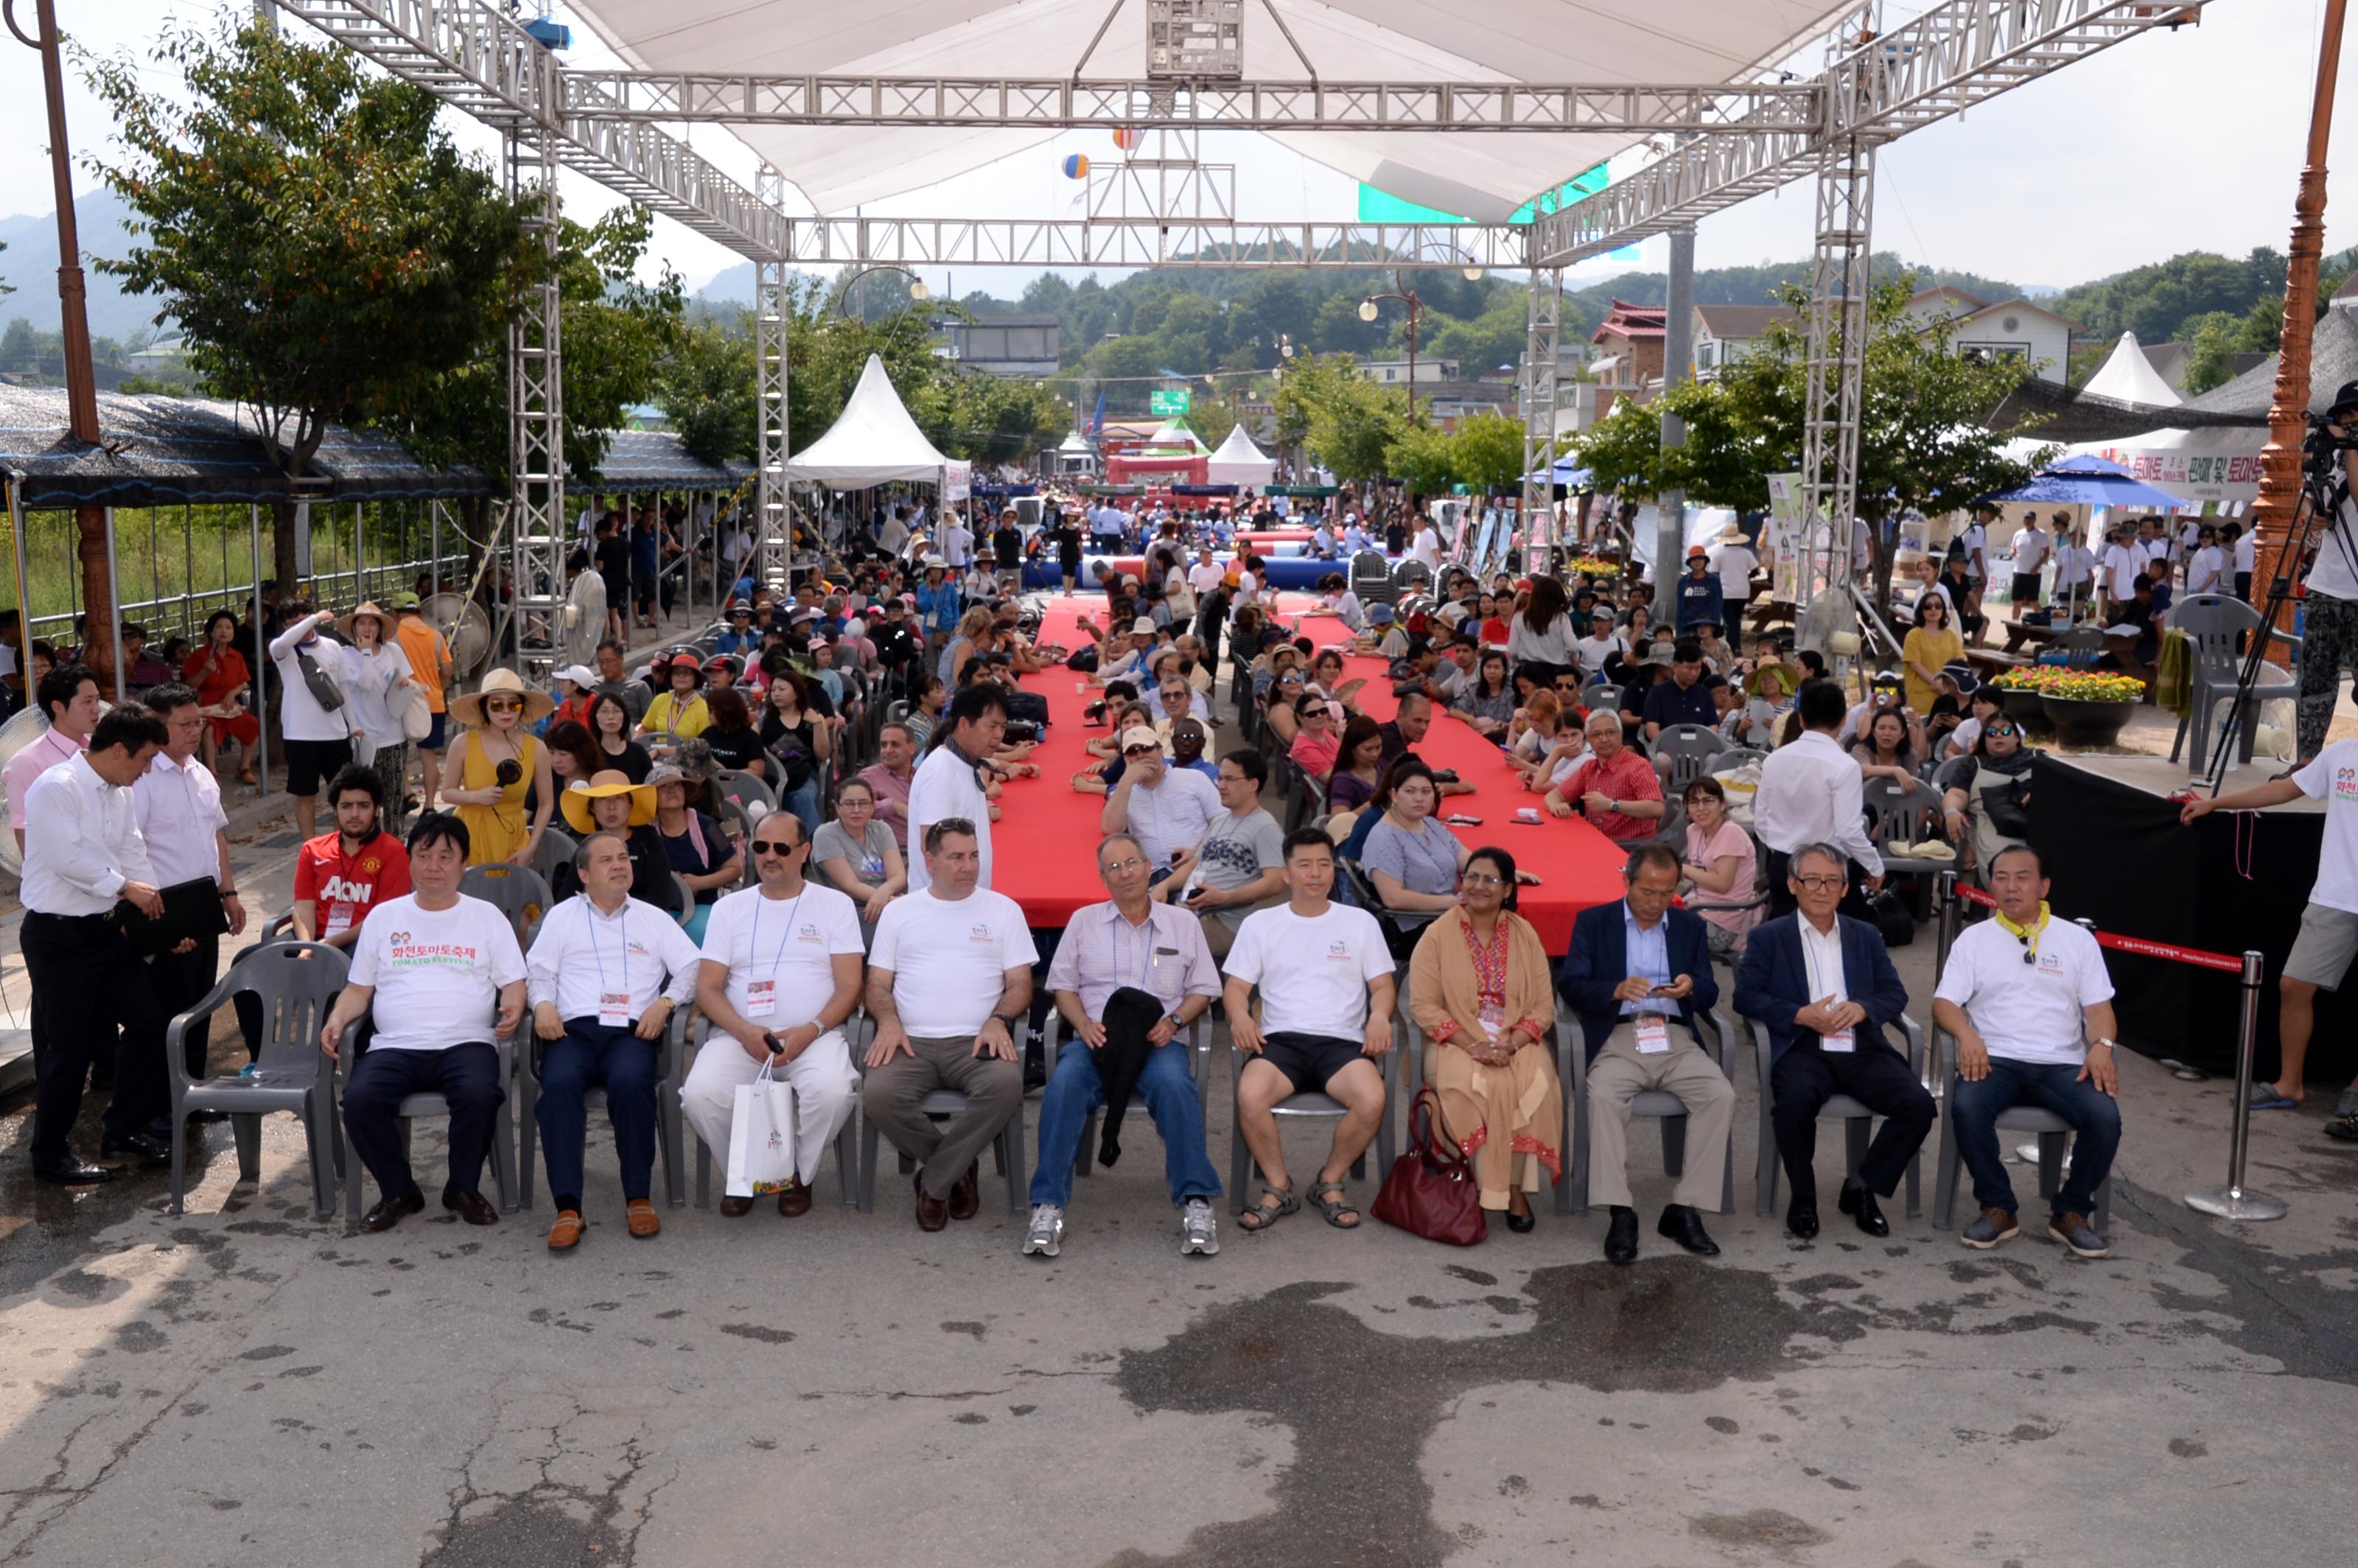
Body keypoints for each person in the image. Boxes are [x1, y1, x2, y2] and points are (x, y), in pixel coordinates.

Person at [321, 814, 528, 1232]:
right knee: (359, 1100)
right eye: (424, 855)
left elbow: (514, 981)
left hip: (466, 1042)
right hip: (396, 1045)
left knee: (480, 1093)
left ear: (463, 865)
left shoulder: (487, 917)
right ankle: (400, 1190)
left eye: (445, 856)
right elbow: (359, 989)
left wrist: (513, 1006)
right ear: (410, 861)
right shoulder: (384, 917)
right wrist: (338, 1017)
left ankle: (462, 1188)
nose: (434, 865)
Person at [1024, 833, 1225, 1259]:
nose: (1125, 873)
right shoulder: (1083, 921)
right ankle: (1047, 1206)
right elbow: (1062, 985)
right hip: (1097, 1038)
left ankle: (1197, 1205)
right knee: (1063, 1086)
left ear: (1148, 864)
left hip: (1158, 1040)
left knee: (1174, 1085)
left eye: (1131, 863)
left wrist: (1174, 1022)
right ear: (1102, 878)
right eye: (1113, 868)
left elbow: (1205, 988)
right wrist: (1082, 1023)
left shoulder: (1183, 923)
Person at [1931, 844, 2121, 1257]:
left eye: (2023, 877)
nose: (2011, 887)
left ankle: (2070, 1211)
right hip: (1995, 1058)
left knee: (2105, 1117)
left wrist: (2102, 1046)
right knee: (1967, 1107)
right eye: (2001, 877)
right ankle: (1999, 1206)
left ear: (2044, 885)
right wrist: (1967, 1035)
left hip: (2061, 1063)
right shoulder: (1974, 939)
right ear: (1990, 884)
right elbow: (1944, 1003)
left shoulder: (2076, 940)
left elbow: (2099, 1010)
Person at [1736, 843, 1934, 1239]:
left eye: (1832, 881)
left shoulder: (1865, 935)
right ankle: (1803, 1199)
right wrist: (1798, 1014)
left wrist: (1862, 1008)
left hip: (1860, 1044)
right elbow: (1746, 997)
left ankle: (1861, 1186)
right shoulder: (1769, 937)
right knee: (1794, 1102)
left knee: (1919, 1105)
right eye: (1811, 879)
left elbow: (1895, 994)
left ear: (1846, 889)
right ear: (1793, 884)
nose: (1821, 889)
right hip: (1803, 1044)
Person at [523, 831, 706, 1249]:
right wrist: (544, 1004)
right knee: (559, 1087)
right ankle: (568, 1207)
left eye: (623, 857)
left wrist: (666, 1002)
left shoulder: (652, 917)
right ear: (584, 874)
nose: (620, 864)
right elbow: (539, 971)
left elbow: (694, 967)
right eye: (607, 860)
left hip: (632, 1031)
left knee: (630, 1083)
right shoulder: (563, 916)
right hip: (573, 1030)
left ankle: (638, 1197)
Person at [19, 703, 173, 1184]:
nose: (147, 770)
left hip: (105, 929)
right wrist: (126, 887)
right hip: (57, 935)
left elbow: (132, 851)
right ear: (120, 749)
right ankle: (49, 1156)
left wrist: (156, 914)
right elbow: (68, 859)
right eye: (145, 759)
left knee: (150, 1023)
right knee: (71, 1048)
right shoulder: (54, 788)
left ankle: (122, 1130)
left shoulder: (118, 792)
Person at [1558, 843, 1733, 1264]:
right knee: (1602, 1096)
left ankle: (1685, 1208)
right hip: (1619, 1036)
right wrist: (1613, 990)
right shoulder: (1594, 923)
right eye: (1647, 892)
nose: (1656, 903)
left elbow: (1711, 991)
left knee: (1720, 1095)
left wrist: (1693, 987)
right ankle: (1620, 1212)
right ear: (1627, 881)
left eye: (1666, 893)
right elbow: (1571, 985)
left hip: (1673, 1035)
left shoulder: (1689, 927)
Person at [861, 819, 1038, 1231]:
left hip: (977, 1041)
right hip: (911, 1041)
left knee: (1005, 1087)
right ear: (930, 860)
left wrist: (999, 1019)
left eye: (974, 856)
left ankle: (935, 1181)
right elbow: (876, 985)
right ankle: (958, 1168)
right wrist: (887, 1020)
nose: (969, 866)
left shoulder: (1003, 910)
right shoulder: (900, 913)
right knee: (879, 1096)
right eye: (956, 857)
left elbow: (1020, 984)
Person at [1222, 828, 1396, 1234]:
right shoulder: (1261, 924)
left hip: (1343, 1043)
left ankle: (1330, 1181)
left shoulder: (1360, 923)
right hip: (1281, 1041)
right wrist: (1240, 1017)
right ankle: (1279, 1184)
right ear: (1286, 873)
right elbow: (1236, 988)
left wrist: (1379, 1016)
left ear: (1333, 870)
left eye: (1323, 864)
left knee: (1372, 1099)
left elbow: (1383, 986)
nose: (1314, 873)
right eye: (1304, 865)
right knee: (1250, 1094)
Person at [2183, 726, 2358, 1121]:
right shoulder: (2341, 754)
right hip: (2335, 894)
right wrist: (2220, 803)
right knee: (2294, 985)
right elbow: (2283, 789)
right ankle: (2289, 1084)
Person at [1407, 845, 1563, 1230]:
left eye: (1490, 879)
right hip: (1456, 1041)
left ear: (1508, 889)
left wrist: (1514, 1042)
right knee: (1473, 1085)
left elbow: (1543, 1006)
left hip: (1515, 1039)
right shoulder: (1436, 935)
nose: (1479, 886)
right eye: (1472, 877)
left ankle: (1512, 1188)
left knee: (1535, 1083)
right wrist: (1472, 1044)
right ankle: (1487, 1186)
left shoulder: (1526, 935)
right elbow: (1425, 1006)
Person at [132, 685, 247, 1082]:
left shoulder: (200, 773)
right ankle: (162, 1105)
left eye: (197, 722)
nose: (195, 730)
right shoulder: (142, 779)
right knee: (167, 1011)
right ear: (158, 725)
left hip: (204, 903)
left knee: (201, 1002)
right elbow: (133, 852)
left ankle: (194, 1093)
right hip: (163, 907)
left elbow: (217, 836)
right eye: (184, 724)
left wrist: (229, 893)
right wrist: (162, 924)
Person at [1754, 680, 1883, 917]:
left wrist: (1782, 850)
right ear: (1844, 720)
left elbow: (1761, 821)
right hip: (1827, 872)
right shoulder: (1845, 766)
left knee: (1788, 942)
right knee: (1831, 946)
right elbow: (1848, 831)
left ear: (1800, 718)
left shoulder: (1774, 759)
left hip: (1783, 865)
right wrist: (1874, 864)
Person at [291, 764, 414, 950]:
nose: (354, 814)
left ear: (377, 809)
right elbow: (303, 907)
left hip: (366, 940)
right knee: (248, 959)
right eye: (346, 806)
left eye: (363, 806)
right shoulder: (312, 850)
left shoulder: (393, 852)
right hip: (315, 939)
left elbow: (384, 917)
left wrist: (329, 945)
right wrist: (307, 947)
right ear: (335, 809)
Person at [443, 668, 556, 868]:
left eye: (514, 704)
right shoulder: (463, 743)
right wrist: (475, 797)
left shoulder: (537, 748)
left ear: (522, 707)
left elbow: (546, 803)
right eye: (497, 705)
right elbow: (447, 793)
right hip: (469, 835)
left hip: (514, 839)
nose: (506, 711)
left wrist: (531, 847)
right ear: (484, 708)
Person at [268, 603, 361, 841]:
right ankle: (310, 847)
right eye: (293, 623)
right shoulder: (284, 651)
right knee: (305, 795)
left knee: (343, 795)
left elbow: (342, 689)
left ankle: (342, 844)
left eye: (305, 620)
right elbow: (280, 644)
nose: (302, 627)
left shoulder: (332, 647)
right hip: (300, 736)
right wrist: (313, 619)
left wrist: (353, 725)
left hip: (335, 734)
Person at [906, 686, 1005, 892]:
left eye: (1003, 727)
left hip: (964, 899)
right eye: (992, 726)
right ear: (963, 725)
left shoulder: (968, 763)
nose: (999, 735)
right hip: (946, 904)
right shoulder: (941, 773)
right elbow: (932, 848)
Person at [337, 602, 419, 828]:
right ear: (354, 628)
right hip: (366, 738)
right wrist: (365, 653)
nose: (367, 629)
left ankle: (395, 841)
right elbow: (363, 684)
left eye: (372, 623)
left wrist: (405, 681)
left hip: (394, 734)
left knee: (394, 794)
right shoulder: (348, 657)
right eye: (362, 623)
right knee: (367, 798)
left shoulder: (393, 652)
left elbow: (410, 683)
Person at [6, 662, 100, 853]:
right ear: (58, 706)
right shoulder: (27, 762)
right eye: (87, 701)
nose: (97, 709)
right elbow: (25, 834)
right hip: (58, 875)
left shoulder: (97, 750)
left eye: (97, 700)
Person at [1361, 760, 1469, 925]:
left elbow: (1468, 860)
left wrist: (1498, 869)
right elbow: (1393, 898)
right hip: (1420, 925)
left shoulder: (1431, 825)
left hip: (1451, 916)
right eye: (1410, 791)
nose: (1419, 799)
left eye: (1426, 792)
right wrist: (1449, 903)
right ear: (1394, 795)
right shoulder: (1383, 837)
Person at [1937, 712, 2035, 886]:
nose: (1998, 735)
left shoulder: (2037, 758)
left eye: (2005, 731)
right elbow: (1956, 794)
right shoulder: (1971, 764)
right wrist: (1951, 811)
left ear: (2017, 737)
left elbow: (2060, 784)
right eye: (1991, 732)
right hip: (1993, 827)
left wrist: (2042, 791)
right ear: (1984, 738)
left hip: (2037, 825)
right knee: (2009, 871)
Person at [648, 763, 742, 941]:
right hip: (661, 907)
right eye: (664, 787)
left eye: (677, 785)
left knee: (701, 931)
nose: (672, 791)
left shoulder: (708, 825)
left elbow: (735, 867)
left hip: (703, 904)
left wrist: (700, 883)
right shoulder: (647, 833)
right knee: (654, 936)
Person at [555, 770, 675, 907]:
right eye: (602, 799)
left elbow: (660, 896)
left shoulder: (649, 840)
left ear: (630, 805)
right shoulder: (588, 846)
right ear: (592, 808)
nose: (611, 807)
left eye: (619, 798)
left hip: (643, 920)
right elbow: (566, 899)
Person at [1542, 709, 1665, 843]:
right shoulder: (1589, 768)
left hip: (1631, 848)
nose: (1604, 739)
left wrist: (1612, 805)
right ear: (1588, 738)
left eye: (1610, 733)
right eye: (1597, 735)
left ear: (1621, 734)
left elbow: (1657, 808)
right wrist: (1556, 806)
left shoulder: (1637, 766)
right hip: (1596, 841)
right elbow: (1553, 795)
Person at [811, 774, 906, 938]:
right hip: (853, 910)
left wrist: (885, 894)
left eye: (863, 803)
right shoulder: (826, 834)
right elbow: (851, 886)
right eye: (849, 804)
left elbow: (898, 877)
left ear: (872, 807)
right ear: (838, 808)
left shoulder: (881, 829)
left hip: (889, 903)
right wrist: (889, 901)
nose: (856, 810)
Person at [1679, 776, 1759, 958]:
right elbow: (1700, 876)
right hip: (1699, 907)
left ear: (1722, 805)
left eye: (1708, 801)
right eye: (1694, 802)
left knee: (1658, 929)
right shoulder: (1694, 831)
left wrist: (1685, 870)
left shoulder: (1731, 833)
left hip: (1724, 926)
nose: (1701, 808)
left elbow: (1722, 884)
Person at [181, 610, 259, 785]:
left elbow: (242, 682)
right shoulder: (201, 656)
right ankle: (212, 773)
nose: (223, 631)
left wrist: (232, 693)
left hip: (227, 706)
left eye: (228, 628)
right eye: (219, 627)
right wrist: (204, 672)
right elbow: (189, 685)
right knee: (208, 729)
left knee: (252, 724)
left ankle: (244, 768)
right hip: (204, 707)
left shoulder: (236, 656)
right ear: (210, 631)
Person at [858, 721, 917, 852]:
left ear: (911, 749)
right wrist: (892, 806)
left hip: (925, 850)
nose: (888, 750)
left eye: (895, 745)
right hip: (891, 853)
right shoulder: (870, 776)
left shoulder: (920, 776)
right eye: (884, 745)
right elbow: (858, 809)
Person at [1901, 592, 1964, 713]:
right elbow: (1915, 665)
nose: (1933, 609)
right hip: (1920, 697)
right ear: (1921, 610)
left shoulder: (1951, 636)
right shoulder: (1914, 635)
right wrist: (1937, 682)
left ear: (1943, 610)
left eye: (1938, 606)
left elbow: (1960, 662)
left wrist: (1947, 686)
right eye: (1928, 606)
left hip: (1948, 694)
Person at [1507, 576, 1575, 680]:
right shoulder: (1562, 618)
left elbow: (1512, 650)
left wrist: (1517, 662)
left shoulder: (1519, 617)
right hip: (1555, 672)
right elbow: (1573, 646)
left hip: (1528, 671)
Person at [584, 690, 654, 784]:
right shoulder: (589, 754)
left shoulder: (638, 752)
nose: (610, 717)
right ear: (595, 717)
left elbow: (650, 786)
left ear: (624, 716)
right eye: (604, 711)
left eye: (616, 711)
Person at [1674, 547, 1725, 634]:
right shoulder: (1683, 581)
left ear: (1705, 561)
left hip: (1707, 625)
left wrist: (1715, 628)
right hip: (1688, 625)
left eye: (1700, 558)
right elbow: (1680, 608)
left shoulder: (1714, 580)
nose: (1697, 561)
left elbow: (1717, 606)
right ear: (1689, 563)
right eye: (1693, 559)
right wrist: (1679, 631)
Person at [2009, 512, 2049, 615]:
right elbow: (2013, 548)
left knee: (2033, 600)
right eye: (2026, 519)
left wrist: (2037, 566)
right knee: (2017, 602)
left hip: (2034, 573)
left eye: (2030, 519)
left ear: (2034, 520)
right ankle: (2015, 626)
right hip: (2019, 572)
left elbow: (2046, 552)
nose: (2028, 521)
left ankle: (2041, 620)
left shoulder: (2041, 534)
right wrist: (2012, 552)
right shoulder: (2018, 533)